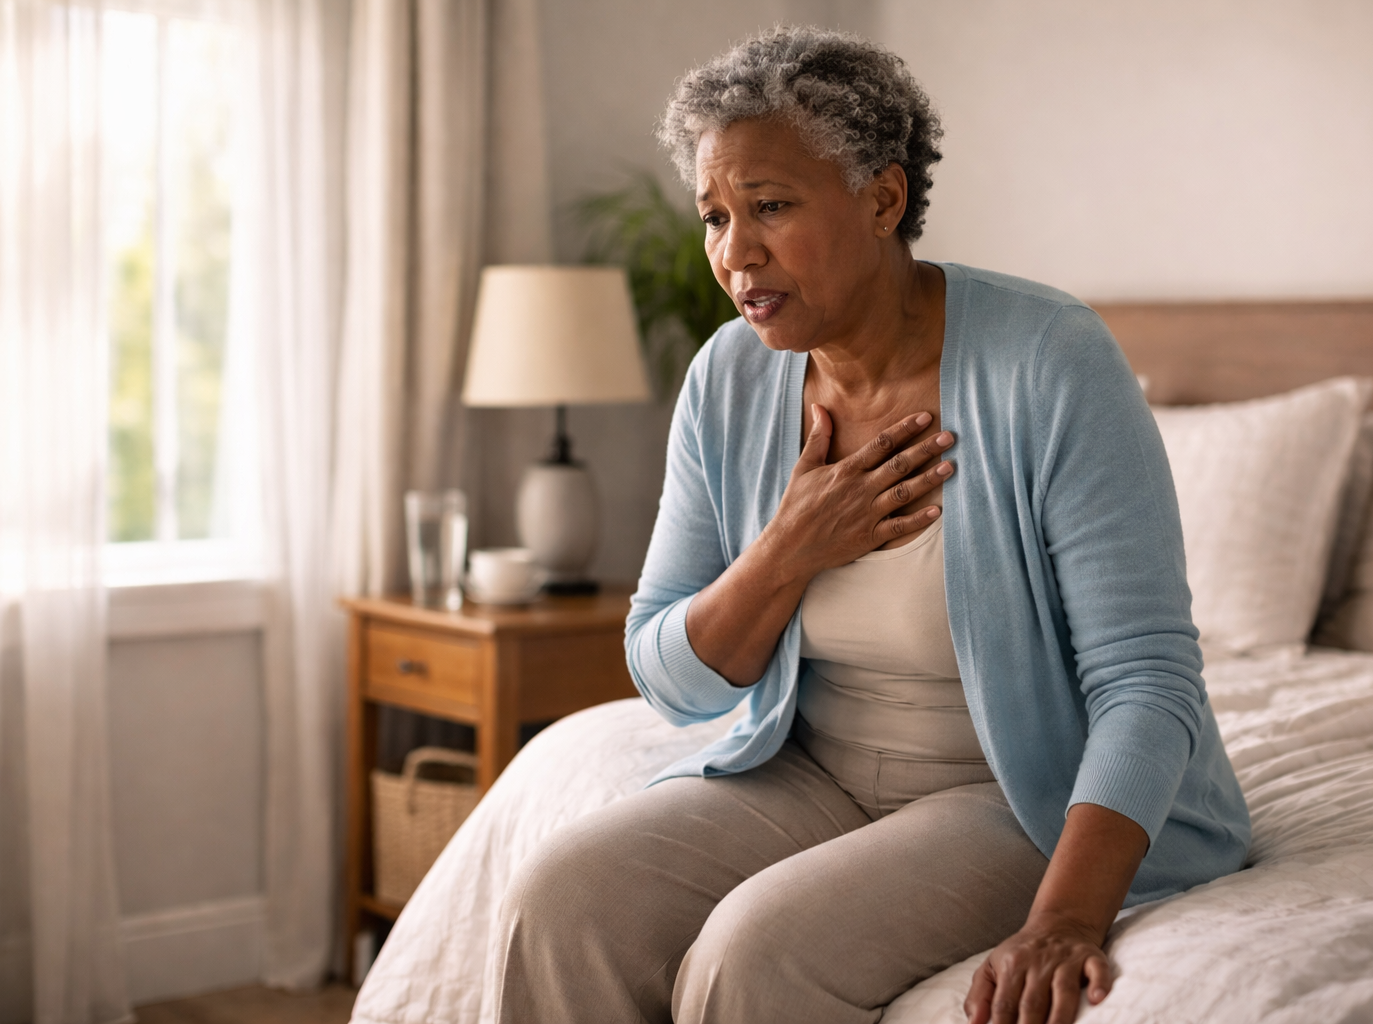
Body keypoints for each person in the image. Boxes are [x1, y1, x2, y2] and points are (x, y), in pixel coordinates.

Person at [494, 26, 1249, 1024]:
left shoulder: (1049, 360)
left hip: (1018, 792)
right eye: (715, 216)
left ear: (884, 198)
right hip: (810, 769)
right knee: (562, 902)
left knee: (753, 954)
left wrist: (1066, 916)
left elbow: (1147, 683)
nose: (733, 253)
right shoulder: (729, 375)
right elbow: (666, 675)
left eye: (769, 207)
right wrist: (788, 548)